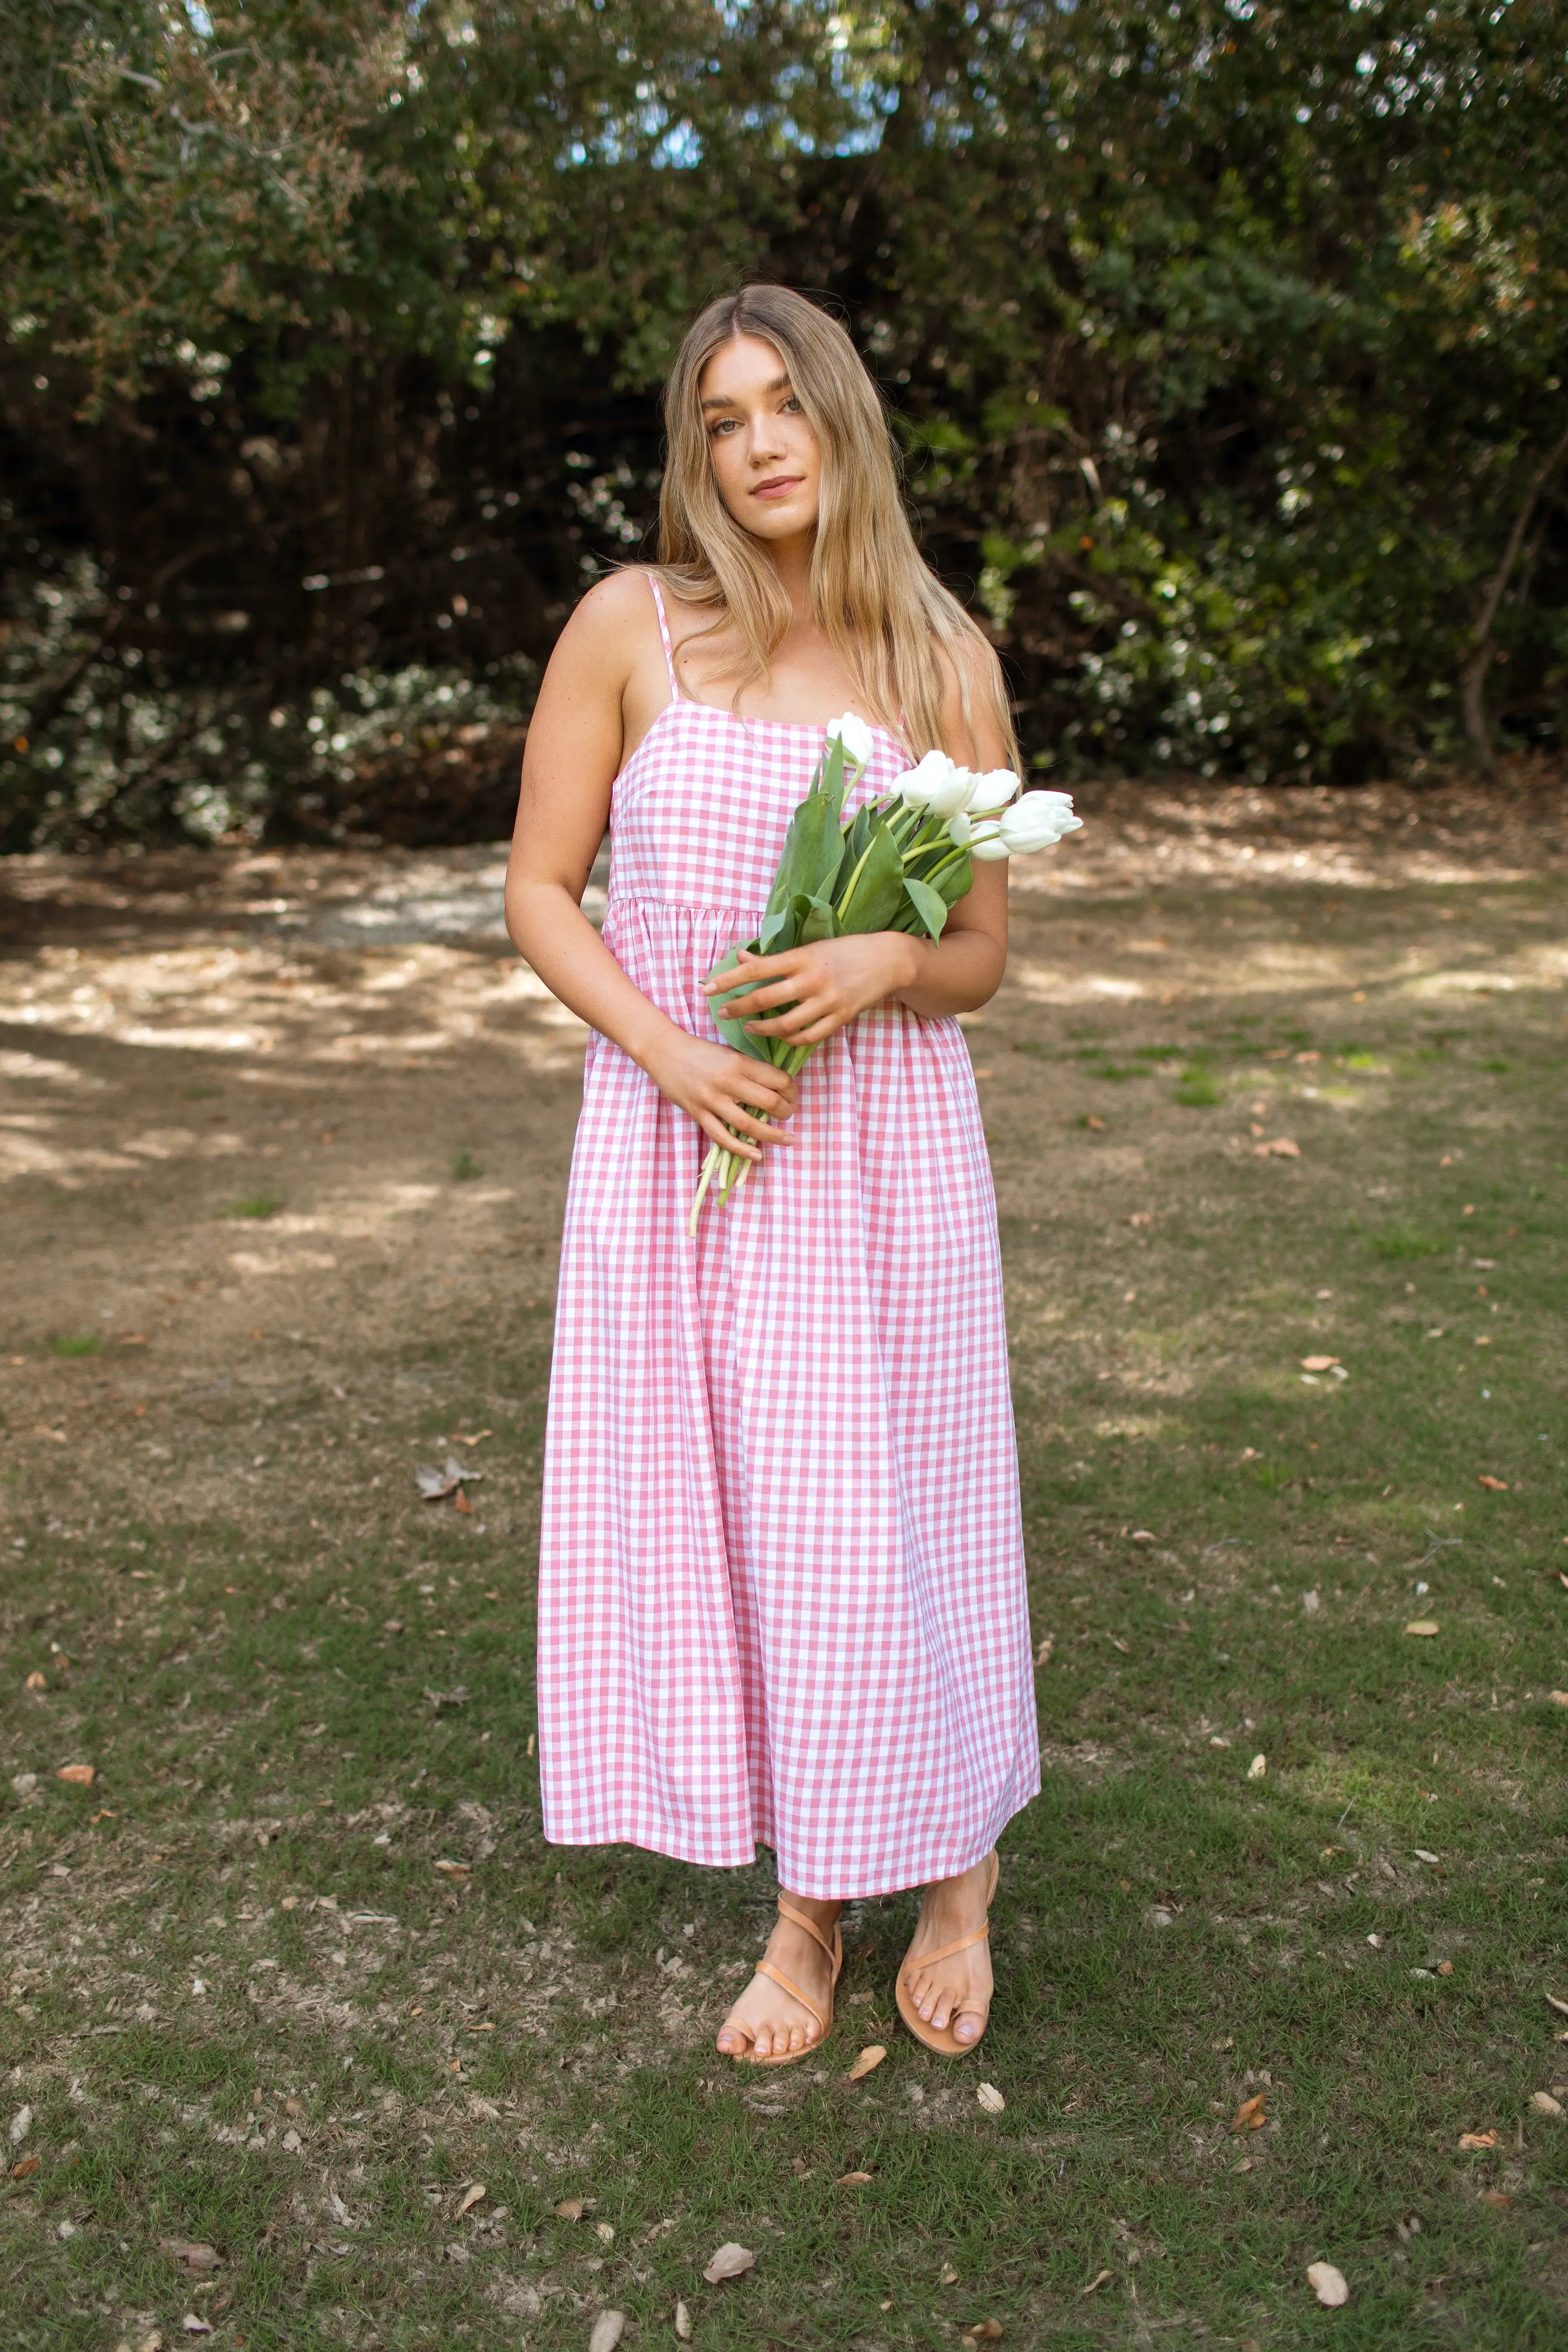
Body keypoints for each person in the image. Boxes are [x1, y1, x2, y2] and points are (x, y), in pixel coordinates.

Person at [504, 284, 1038, 2064]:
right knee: (755, 1524)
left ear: (843, 421)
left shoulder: (935, 658)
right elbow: (537, 891)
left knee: (898, 1504)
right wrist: (666, 1053)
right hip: (688, 1156)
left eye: (784, 405)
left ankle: (944, 1866)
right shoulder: (629, 624)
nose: (758, 445)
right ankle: (813, 1890)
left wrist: (886, 963)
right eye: (722, 419)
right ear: (695, 451)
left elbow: (976, 951)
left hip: (877, 1160)